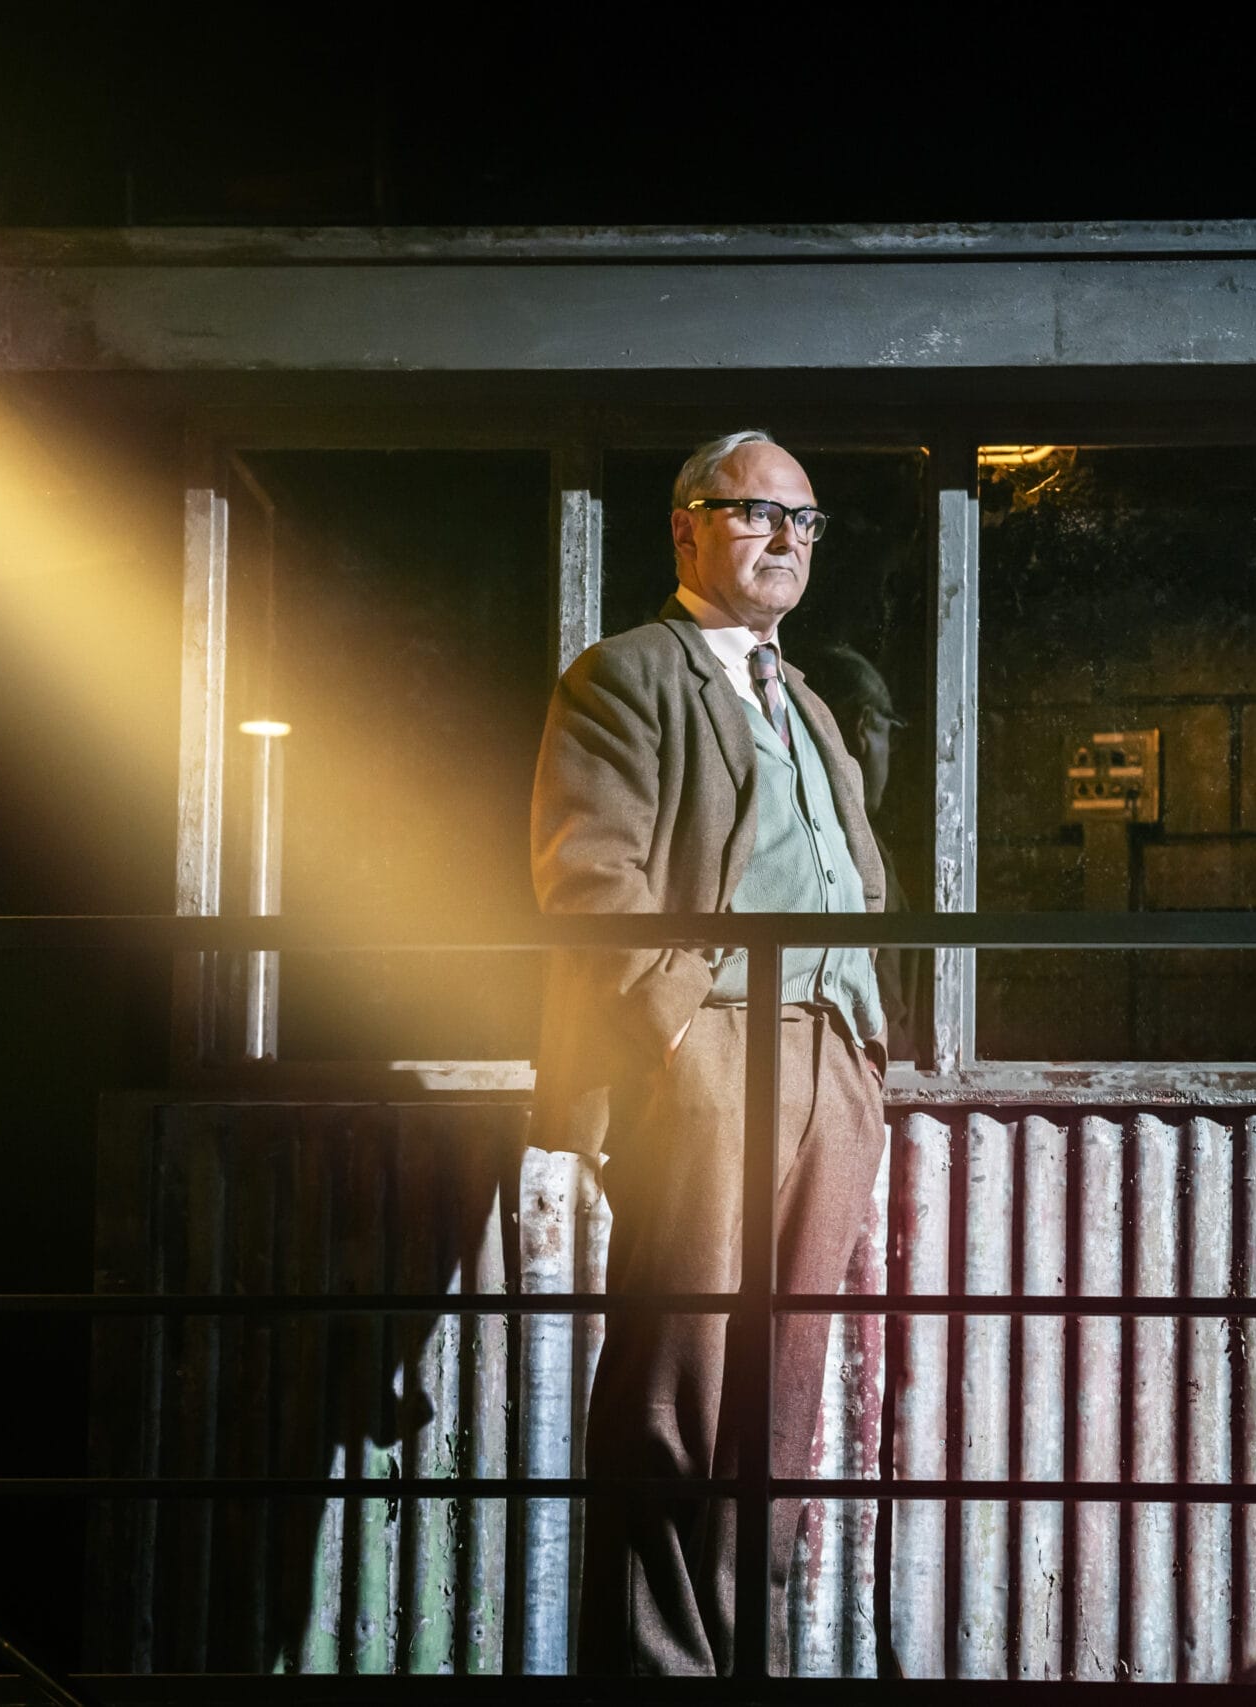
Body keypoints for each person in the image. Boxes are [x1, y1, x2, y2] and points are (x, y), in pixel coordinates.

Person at [529, 430, 888, 1676]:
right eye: (756, 514)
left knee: (780, 1409)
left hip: (831, 1057)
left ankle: (752, 1668)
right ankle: (656, 1674)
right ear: (686, 528)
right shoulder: (626, 674)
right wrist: (676, 1027)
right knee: (680, 1387)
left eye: (803, 521)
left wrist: (866, 1051)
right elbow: (589, 874)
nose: (787, 539)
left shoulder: (805, 699)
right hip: (718, 1049)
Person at [799, 642, 920, 1065]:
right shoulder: (851, 848)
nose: (893, 754)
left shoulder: (817, 833)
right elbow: (883, 1005)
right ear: (864, 727)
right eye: (891, 733)